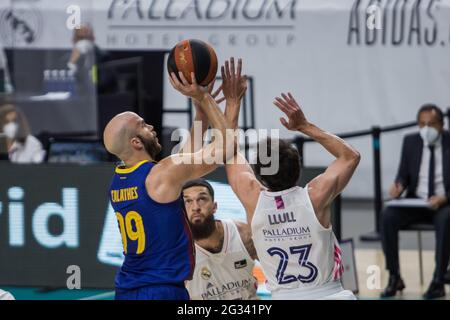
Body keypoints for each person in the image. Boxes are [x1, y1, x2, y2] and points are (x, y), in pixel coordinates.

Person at [103, 68, 236, 300]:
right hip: (161, 290)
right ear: (136, 142)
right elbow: (227, 148)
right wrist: (204, 98)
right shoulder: (161, 173)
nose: (151, 128)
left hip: (127, 289)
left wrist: (201, 115)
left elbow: (183, 162)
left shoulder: (118, 182)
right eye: (143, 125)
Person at [224, 91, 360, 299]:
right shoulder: (315, 195)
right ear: (299, 168)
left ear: (259, 177)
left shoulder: (252, 197)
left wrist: (233, 101)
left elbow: (229, 150)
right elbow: (350, 156)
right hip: (328, 293)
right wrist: (304, 126)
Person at [380, 104, 450, 299]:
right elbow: (403, 175)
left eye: (431, 124)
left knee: (446, 220)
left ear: (442, 125)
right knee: (387, 216)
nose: (426, 129)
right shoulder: (411, 141)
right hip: (416, 201)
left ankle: (438, 281)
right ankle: (394, 276)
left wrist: (445, 198)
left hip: (443, 203)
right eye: (422, 124)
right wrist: (398, 186)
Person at [183, 179, 258, 300]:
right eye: (188, 201)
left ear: (214, 207)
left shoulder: (243, 235)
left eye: (202, 199)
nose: (195, 207)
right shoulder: (177, 253)